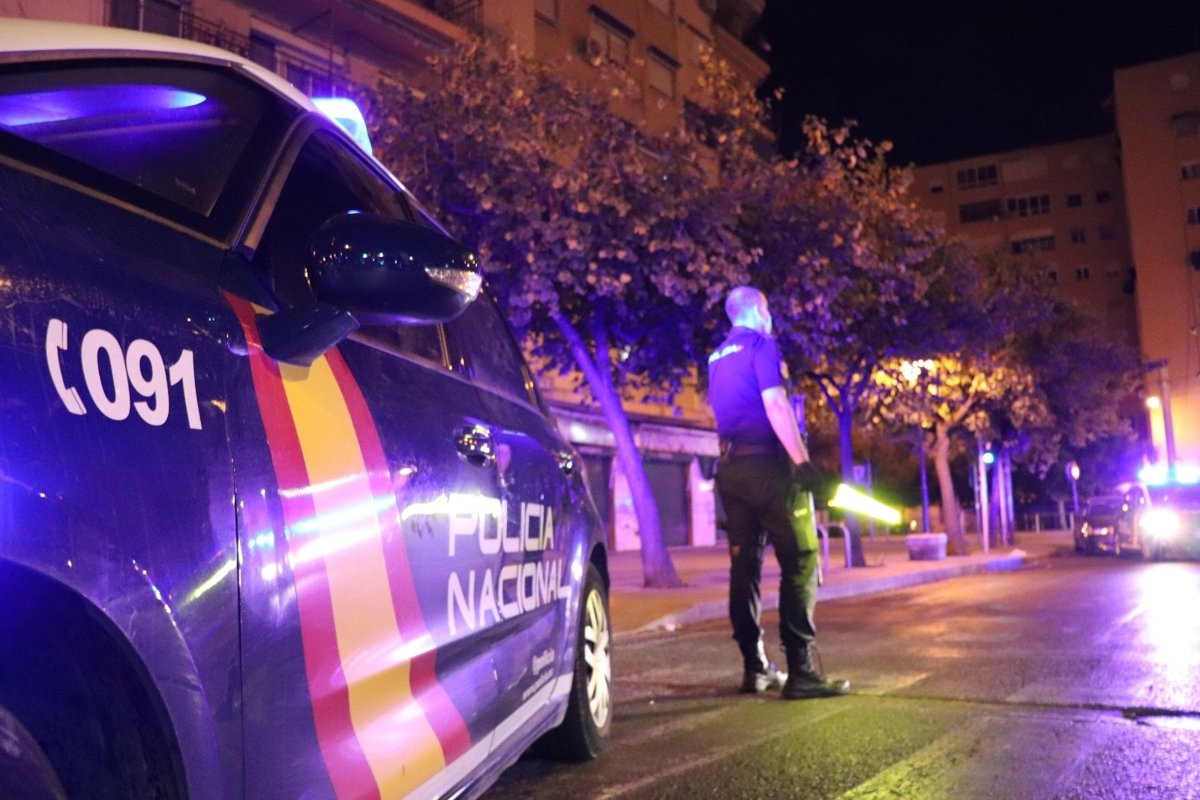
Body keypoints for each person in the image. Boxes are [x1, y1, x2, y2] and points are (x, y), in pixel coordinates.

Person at [707, 286, 849, 699]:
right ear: (757, 310)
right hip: (769, 468)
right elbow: (775, 405)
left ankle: (755, 668)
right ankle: (802, 671)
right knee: (801, 560)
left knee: (745, 568)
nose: (770, 318)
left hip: (732, 472)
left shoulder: (716, 358)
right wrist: (803, 465)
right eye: (767, 310)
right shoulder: (762, 345)